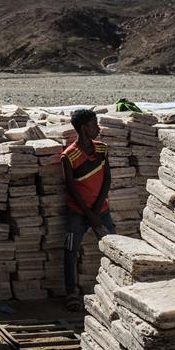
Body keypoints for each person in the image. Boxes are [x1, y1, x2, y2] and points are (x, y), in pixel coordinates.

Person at [61, 109, 116, 311]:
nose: (98, 128)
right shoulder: (69, 156)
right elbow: (71, 188)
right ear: (84, 128)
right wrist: (88, 213)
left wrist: (96, 211)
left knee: (116, 248)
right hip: (77, 211)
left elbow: (107, 179)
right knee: (70, 250)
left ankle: (115, 288)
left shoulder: (102, 149)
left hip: (101, 210)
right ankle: (71, 292)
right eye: (94, 124)